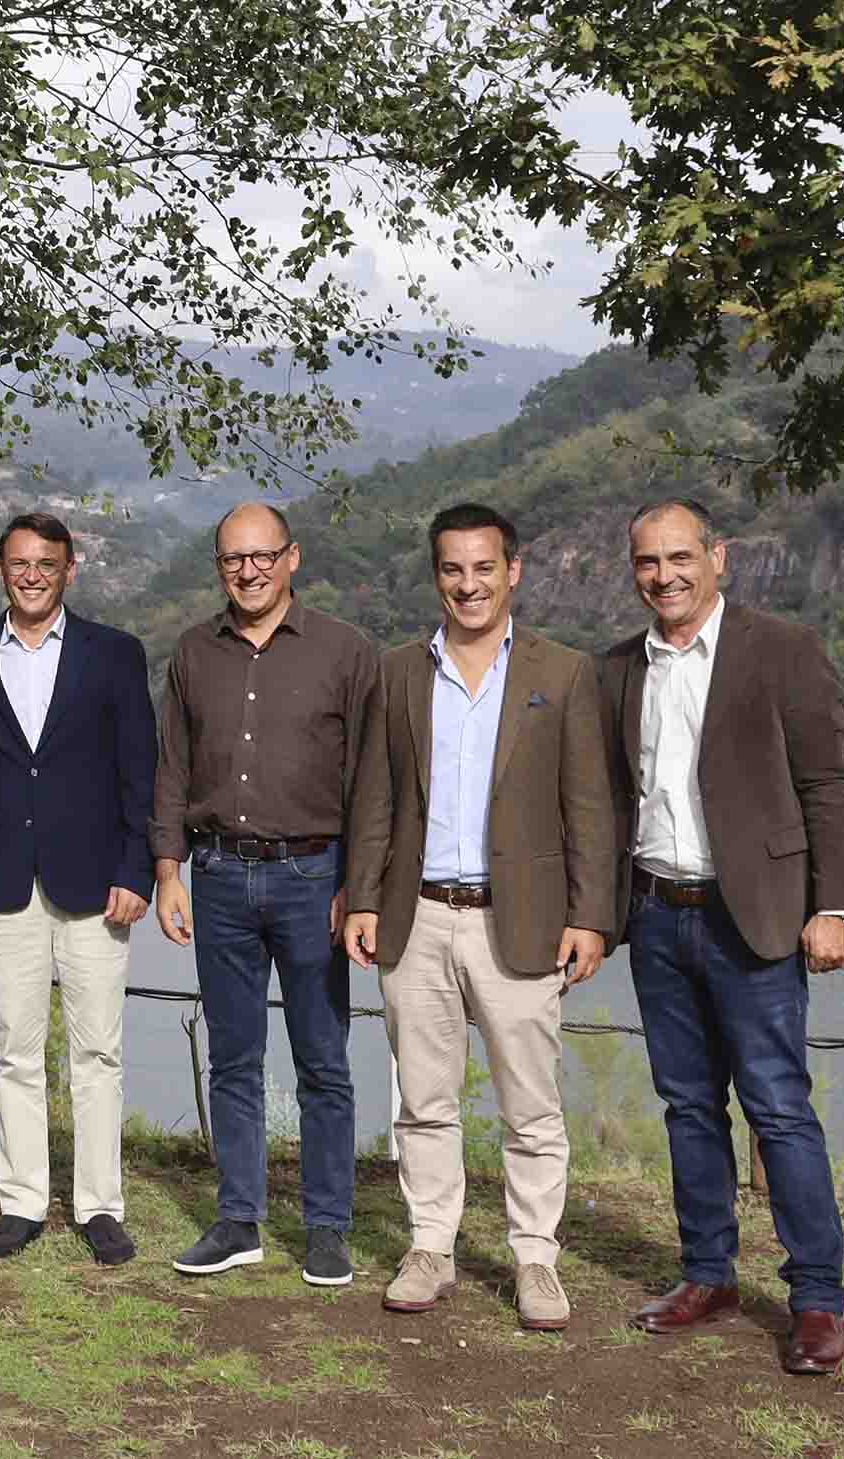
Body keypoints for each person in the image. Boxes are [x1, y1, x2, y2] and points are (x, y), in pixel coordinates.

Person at [602, 498, 844, 1376]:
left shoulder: (783, 649)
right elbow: (612, 799)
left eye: (680, 557)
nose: (664, 575)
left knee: (778, 1107)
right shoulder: (619, 668)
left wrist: (836, 906)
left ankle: (818, 1297)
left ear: (719, 556)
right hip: (656, 911)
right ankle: (708, 1275)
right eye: (648, 562)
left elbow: (828, 783)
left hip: (755, 916)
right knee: (686, 1105)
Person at [344, 502, 613, 1333]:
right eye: (453, 569)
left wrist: (591, 915)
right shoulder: (398, 671)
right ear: (437, 576)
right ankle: (431, 1245)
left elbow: (590, 806)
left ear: (513, 570)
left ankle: (534, 1256)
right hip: (417, 915)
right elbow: (376, 795)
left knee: (530, 1104)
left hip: (521, 920)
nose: (469, 585)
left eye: (484, 567)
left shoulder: (562, 672)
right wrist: (362, 896)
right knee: (423, 1098)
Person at [152, 504, 376, 1286]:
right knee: (233, 1057)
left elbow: (370, 782)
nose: (248, 571)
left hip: (314, 877)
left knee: (323, 1059)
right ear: (218, 565)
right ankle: (238, 1218)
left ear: (292, 558)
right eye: (232, 559)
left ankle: (327, 1226)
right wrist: (169, 870)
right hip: (217, 876)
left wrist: (358, 885)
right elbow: (172, 768)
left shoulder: (345, 651)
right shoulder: (193, 652)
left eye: (262, 556)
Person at [0, 512, 155, 1264]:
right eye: (19, 563)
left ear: (71, 568)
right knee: (14, 1049)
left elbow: (140, 770)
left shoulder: (115, 654)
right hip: (4, 878)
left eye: (46, 563)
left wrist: (136, 870)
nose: (32, 576)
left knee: (97, 1050)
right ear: (1, 569)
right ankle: (23, 1202)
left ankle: (99, 1205)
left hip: (98, 881)